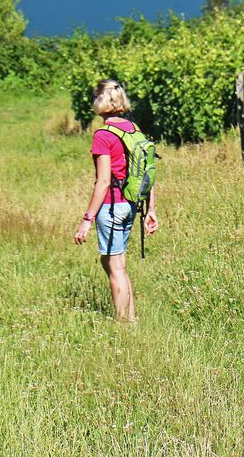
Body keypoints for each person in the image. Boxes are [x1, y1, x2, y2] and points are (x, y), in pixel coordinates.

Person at [73, 79, 158, 321]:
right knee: (112, 262)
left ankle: (125, 325)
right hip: (131, 205)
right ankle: (131, 317)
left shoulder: (103, 135)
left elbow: (102, 182)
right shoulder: (134, 129)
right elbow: (147, 172)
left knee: (116, 268)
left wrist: (86, 220)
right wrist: (150, 209)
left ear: (99, 102)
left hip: (111, 206)